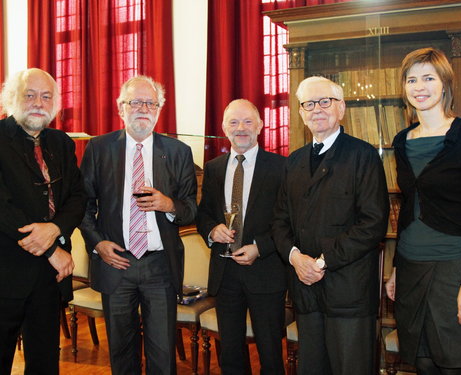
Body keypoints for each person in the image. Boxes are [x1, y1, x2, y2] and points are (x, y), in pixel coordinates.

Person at [80, 75, 197, 375]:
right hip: (115, 262)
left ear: (159, 109)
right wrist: (98, 243)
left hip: (160, 266)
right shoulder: (99, 148)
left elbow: (191, 209)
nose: (143, 108)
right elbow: (82, 205)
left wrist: (168, 204)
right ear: (121, 108)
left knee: (162, 354)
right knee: (121, 352)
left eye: (150, 103)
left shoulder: (178, 152)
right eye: (136, 102)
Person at [272, 76, 389, 375]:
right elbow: (280, 221)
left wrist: (322, 262)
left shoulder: (362, 156)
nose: (317, 110)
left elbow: (372, 223)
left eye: (325, 101)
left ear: (341, 108)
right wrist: (296, 258)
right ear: (300, 113)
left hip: (348, 292)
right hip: (305, 291)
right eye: (309, 104)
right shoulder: (294, 161)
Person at [385, 47, 461, 374]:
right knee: (422, 360)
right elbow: (409, 207)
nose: (419, 86)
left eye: (428, 77)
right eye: (412, 79)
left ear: (444, 84)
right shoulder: (401, 141)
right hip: (411, 266)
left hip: (454, 267)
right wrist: (396, 267)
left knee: (456, 364)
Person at [0, 68, 86, 374]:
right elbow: (4, 209)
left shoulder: (61, 142)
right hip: (7, 272)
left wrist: (56, 229)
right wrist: (52, 250)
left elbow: (77, 197)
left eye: (46, 96)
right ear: (12, 98)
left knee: (45, 363)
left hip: (49, 281)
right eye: (30, 94)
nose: (39, 102)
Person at [197, 99, 287, 374]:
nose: (241, 128)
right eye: (234, 122)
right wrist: (213, 230)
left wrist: (260, 247)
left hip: (266, 271)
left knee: (270, 353)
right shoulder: (213, 168)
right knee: (231, 354)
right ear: (224, 128)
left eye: (248, 121)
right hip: (225, 275)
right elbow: (204, 215)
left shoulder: (281, 167)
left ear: (260, 126)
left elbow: (288, 221)